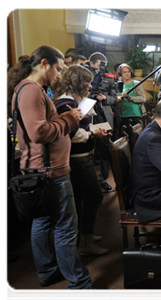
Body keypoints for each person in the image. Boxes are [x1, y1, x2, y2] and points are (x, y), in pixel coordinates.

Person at [5, 45, 112, 300]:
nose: (59, 74)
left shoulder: (27, 88)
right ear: (44, 64)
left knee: (42, 221)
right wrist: (70, 119)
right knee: (66, 228)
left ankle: (48, 271)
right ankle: (80, 287)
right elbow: (39, 133)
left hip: (43, 168)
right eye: (58, 68)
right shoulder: (31, 90)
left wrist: (64, 120)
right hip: (50, 170)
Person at [54, 65, 109, 256]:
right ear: (76, 82)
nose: (90, 86)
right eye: (86, 82)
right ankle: (85, 241)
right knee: (95, 196)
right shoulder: (65, 103)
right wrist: (91, 133)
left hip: (81, 157)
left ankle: (83, 236)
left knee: (81, 198)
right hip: (78, 158)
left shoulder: (73, 100)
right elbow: (71, 134)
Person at [87, 52, 117, 192]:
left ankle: (103, 178)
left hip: (105, 114)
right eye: (99, 65)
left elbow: (115, 97)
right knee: (90, 148)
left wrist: (105, 97)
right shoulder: (85, 76)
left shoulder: (109, 77)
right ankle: (90, 181)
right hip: (89, 114)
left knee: (105, 148)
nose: (102, 68)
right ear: (91, 64)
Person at [116, 63, 149, 128]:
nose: (127, 74)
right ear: (120, 74)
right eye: (124, 72)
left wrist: (129, 97)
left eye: (129, 72)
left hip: (136, 115)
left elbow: (143, 98)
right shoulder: (118, 85)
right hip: (123, 116)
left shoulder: (136, 83)